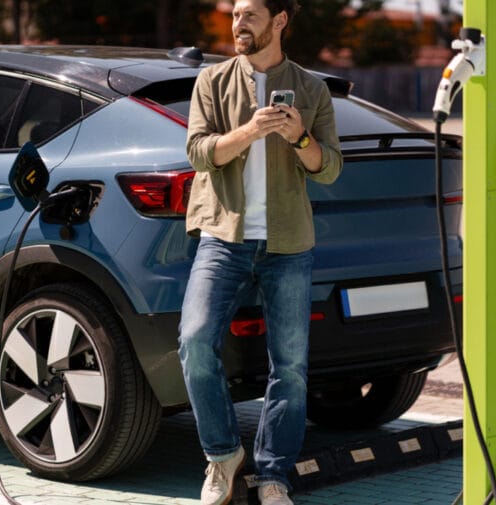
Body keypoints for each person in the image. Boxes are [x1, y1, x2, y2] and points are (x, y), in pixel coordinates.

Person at [178, 0, 342, 503]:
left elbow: (330, 166)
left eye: (250, 14)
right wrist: (252, 129)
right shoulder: (211, 82)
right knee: (194, 341)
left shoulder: (312, 88)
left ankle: (274, 474)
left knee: (290, 366)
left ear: (280, 22)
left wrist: (298, 137)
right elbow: (198, 151)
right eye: (234, 15)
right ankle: (223, 455)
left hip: (289, 244)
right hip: (222, 237)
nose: (238, 24)